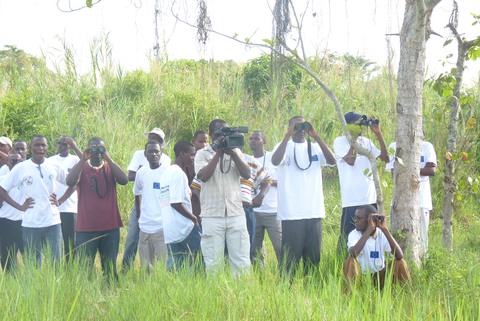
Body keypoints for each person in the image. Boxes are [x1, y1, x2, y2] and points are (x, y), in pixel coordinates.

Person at [271, 116, 336, 275]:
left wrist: (316, 136)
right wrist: (287, 135)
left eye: (303, 127)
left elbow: (332, 161)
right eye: (297, 127)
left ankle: (311, 292)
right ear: (290, 128)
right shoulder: (283, 146)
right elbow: (275, 161)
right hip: (292, 214)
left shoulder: (314, 147)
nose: (300, 131)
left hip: (313, 212)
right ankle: (286, 291)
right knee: (289, 261)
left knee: (313, 260)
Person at [0, 135, 75, 267]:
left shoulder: (54, 165)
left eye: (43, 145)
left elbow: (73, 183)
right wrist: (20, 206)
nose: (40, 148)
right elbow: (2, 189)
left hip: (53, 222)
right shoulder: (21, 167)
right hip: (31, 223)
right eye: (37, 145)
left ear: (47, 148)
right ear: (31, 147)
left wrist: (60, 201)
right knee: (34, 265)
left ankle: (55, 287)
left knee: (56, 263)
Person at [195, 119, 251, 276]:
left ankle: (242, 296)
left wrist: (232, 152)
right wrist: (218, 152)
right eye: (221, 132)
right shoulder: (202, 154)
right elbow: (203, 176)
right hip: (212, 215)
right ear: (212, 134)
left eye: (228, 132)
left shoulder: (236, 152)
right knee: (213, 262)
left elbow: (247, 174)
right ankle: (216, 297)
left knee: (241, 260)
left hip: (236, 213)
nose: (225, 136)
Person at [66, 137, 128, 280]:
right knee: (85, 267)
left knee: (110, 268)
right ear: (88, 150)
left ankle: (111, 295)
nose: (97, 152)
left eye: (100, 149)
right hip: (86, 228)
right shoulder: (82, 168)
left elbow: (124, 180)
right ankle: (88, 296)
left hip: (110, 227)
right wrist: (83, 159)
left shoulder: (109, 168)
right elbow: (70, 181)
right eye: (93, 149)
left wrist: (108, 158)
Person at [334, 111, 389, 257]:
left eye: (361, 123)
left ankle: (370, 266)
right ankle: (343, 264)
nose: (360, 126)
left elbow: (385, 158)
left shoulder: (367, 141)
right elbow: (350, 161)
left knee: (373, 234)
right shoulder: (340, 141)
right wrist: (354, 140)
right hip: (352, 200)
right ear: (347, 126)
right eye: (356, 123)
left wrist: (378, 134)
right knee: (347, 236)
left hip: (370, 199)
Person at [121, 128, 171, 272]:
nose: (153, 140)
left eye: (157, 139)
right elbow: (130, 176)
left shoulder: (166, 160)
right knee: (132, 239)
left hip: (159, 207)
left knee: (162, 254)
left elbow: (164, 185)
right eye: (151, 137)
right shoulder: (139, 155)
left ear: (161, 147)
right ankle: (125, 270)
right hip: (142, 205)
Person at [386, 139, 437, 255]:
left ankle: (422, 263)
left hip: (422, 200)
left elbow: (431, 170)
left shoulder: (427, 146)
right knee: (398, 235)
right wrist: (415, 171)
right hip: (400, 200)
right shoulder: (394, 146)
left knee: (422, 238)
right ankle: (396, 264)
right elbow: (394, 172)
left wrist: (407, 170)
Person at [343, 205, 410, 289]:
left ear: (370, 220)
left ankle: (406, 295)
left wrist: (385, 229)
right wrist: (369, 230)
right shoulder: (354, 234)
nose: (356, 221)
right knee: (350, 260)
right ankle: (350, 296)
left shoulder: (381, 233)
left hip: (380, 276)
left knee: (401, 263)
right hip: (361, 277)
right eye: (355, 218)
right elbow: (353, 253)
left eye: (359, 218)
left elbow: (399, 255)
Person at [163, 141, 202, 271]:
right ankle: (197, 287)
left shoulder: (165, 173)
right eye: (192, 155)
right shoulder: (179, 174)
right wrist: (193, 218)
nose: (193, 158)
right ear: (182, 154)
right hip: (184, 228)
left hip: (170, 229)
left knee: (176, 264)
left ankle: (172, 288)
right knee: (201, 259)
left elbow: (165, 202)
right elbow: (175, 203)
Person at [133, 140, 169, 272]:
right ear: (145, 154)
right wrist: (139, 215)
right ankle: (146, 290)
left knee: (165, 266)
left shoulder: (167, 172)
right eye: (150, 151)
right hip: (145, 228)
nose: (153, 154)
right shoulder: (141, 172)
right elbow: (137, 194)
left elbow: (168, 200)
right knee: (146, 268)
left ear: (161, 153)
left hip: (161, 228)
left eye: (156, 151)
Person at [249, 130, 282, 266]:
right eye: (250, 139)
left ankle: (286, 277)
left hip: (272, 211)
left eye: (256, 138)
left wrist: (267, 181)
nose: (252, 141)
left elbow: (283, 182)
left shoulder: (273, 159)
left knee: (280, 248)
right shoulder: (247, 160)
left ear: (264, 141)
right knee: (255, 251)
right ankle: (260, 281)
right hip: (254, 211)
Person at [48, 136, 82, 261]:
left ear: (70, 146)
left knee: (70, 242)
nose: (62, 146)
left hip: (70, 207)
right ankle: (55, 268)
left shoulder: (76, 160)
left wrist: (75, 147)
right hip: (53, 207)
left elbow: (87, 161)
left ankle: (70, 268)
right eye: (60, 143)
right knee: (54, 242)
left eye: (66, 144)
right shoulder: (50, 160)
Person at [241, 151, 271, 262]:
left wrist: (260, 196)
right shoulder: (212, 158)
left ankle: (246, 277)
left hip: (245, 208)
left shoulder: (249, 160)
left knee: (248, 248)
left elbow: (267, 179)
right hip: (220, 210)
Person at [0, 153, 25, 271]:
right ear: (7, 163)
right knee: (6, 257)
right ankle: (10, 282)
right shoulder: (2, 179)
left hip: (23, 221)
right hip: (5, 221)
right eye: (12, 161)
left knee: (28, 254)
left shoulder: (27, 179)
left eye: (18, 161)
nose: (15, 164)